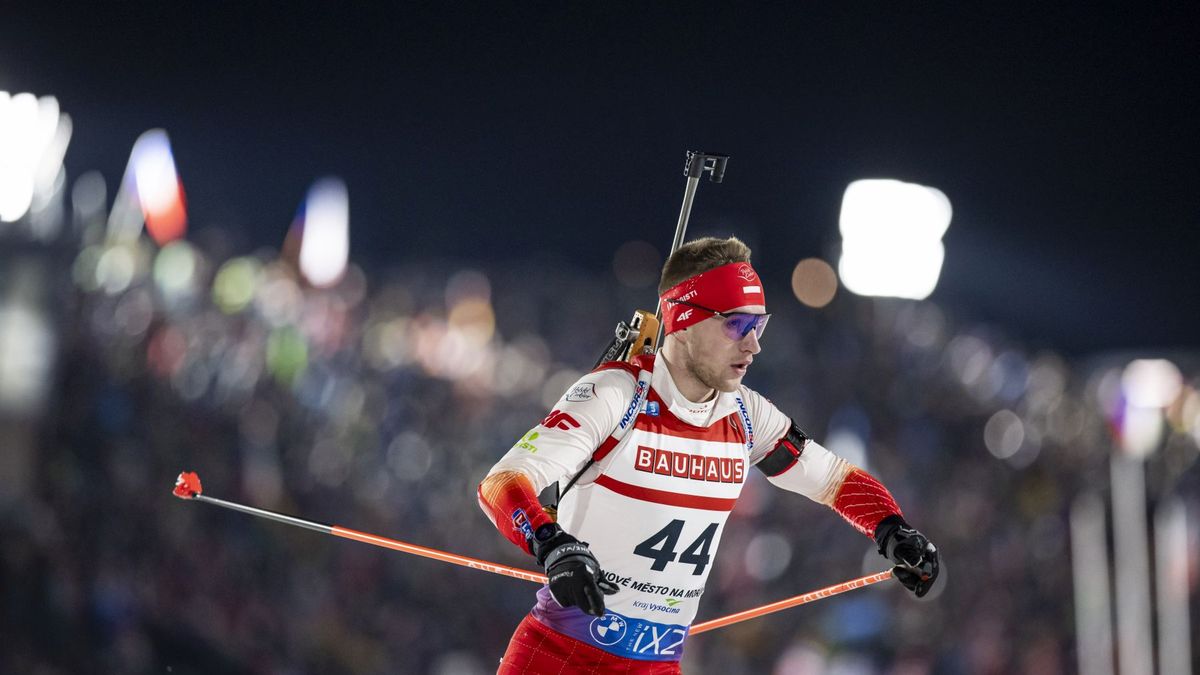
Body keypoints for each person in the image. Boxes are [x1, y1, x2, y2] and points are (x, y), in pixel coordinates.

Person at [478, 236, 939, 673]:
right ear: (681, 318)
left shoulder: (746, 413)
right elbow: (501, 483)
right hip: (560, 659)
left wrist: (891, 528)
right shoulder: (618, 394)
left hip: (657, 666)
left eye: (759, 325)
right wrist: (551, 544)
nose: (753, 344)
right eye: (736, 324)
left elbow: (832, 478)